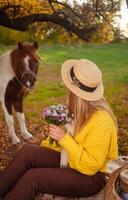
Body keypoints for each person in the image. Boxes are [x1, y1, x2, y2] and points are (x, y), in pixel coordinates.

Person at [0, 59, 118, 200]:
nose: (66, 88)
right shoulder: (78, 108)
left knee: (33, 177)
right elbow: (66, 143)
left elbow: (90, 166)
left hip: (91, 177)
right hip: (71, 160)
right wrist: (51, 141)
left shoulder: (102, 120)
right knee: (28, 151)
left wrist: (63, 138)